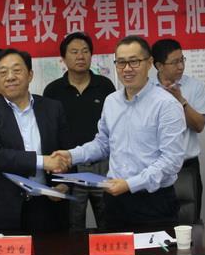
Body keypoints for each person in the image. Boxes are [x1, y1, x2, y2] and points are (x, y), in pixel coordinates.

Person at [54, 35, 186, 229]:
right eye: (121, 62)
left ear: (149, 63)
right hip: (115, 200)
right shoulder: (111, 101)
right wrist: (71, 155)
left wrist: (130, 184)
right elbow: (103, 144)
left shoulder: (166, 105)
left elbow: (171, 160)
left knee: (155, 250)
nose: (127, 69)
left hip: (153, 201)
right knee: (114, 249)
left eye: (134, 61)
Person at [0, 48, 71, 232]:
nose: (10, 77)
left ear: (30, 74)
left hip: (46, 206)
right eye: (3, 72)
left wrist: (64, 183)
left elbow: (66, 151)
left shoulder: (53, 108)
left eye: (17, 70)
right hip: (2, 208)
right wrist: (43, 161)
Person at [43, 32, 115, 230]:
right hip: (70, 166)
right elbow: (49, 133)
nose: (80, 56)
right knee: (72, 226)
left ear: (91, 55)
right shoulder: (53, 90)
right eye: (74, 52)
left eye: (85, 51)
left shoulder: (105, 86)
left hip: (103, 165)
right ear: (63, 58)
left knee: (109, 222)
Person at [152, 38, 205, 223]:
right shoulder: (146, 89)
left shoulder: (194, 86)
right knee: (157, 221)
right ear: (159, 65)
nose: (181, 66)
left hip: (187, 166)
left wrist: (181, 101)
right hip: (155, 166)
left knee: (190, 222)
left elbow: (199, 125)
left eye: (182, 60)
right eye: (175, 62)